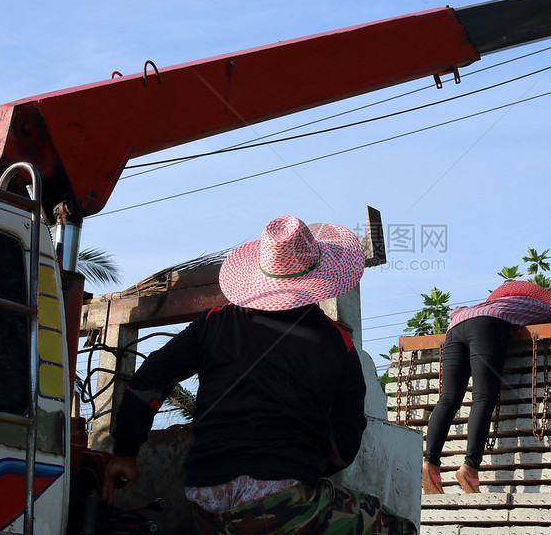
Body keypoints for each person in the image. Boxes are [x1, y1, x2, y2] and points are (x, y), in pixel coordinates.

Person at [102, 215, 416, 534]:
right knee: (398, 528)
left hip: (206, 502)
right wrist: (308, 464)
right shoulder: (336, 341)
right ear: (319, 279)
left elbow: (149, 380)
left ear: (261, 277)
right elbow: (347, 436)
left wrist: (126, 452)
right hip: (285, 501)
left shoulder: (214, 321)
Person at [422, 281, 551, 495]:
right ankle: (470, 466)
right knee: (482, 397)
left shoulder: (483, 305)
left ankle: (430, 463)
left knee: (448, 399)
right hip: (485, 327)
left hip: (456, 327)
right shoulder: (529, 303)